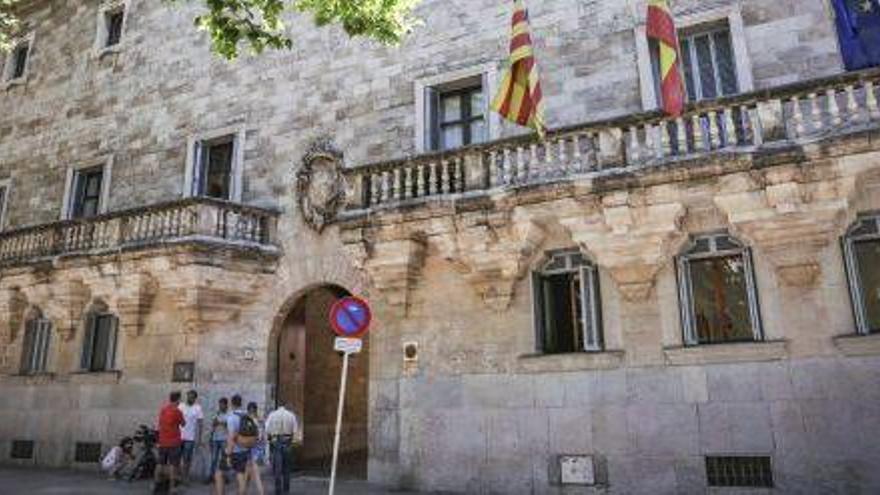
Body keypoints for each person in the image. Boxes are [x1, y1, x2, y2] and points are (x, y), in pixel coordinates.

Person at [215, 394, 255, 495]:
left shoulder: (231, 417)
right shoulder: (246, 415)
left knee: (219, 473)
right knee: (240, 474)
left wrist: (228, 453)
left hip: (234, 450)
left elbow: (231, 436)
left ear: (232, 404)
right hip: (244, 450)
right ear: (241, 403)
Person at [264, 401, 298, 495]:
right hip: (287, 441)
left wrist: (269, 439)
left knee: (277, 468)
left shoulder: (272, 415)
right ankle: (286, 489)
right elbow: (295, 430)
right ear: (286, 405)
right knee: (287, 467)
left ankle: (278, 490)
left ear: (277, 406)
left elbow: (267, 429)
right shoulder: (291, 415)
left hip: (276, 442)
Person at [156, 391, 186, 494]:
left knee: (160, 464)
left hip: (162, 441)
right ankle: (172, 488)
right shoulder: (177, 411)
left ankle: (156, 485)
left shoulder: (163, 410)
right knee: (173, 465)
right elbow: (183, 424)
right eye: (180, 399)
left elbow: (160, 423)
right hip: (173, 442)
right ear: (177, 399)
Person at [179, 389, 204, 485]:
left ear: (195, 398)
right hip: (179, 436)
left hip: (190, 438)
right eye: (188, 396)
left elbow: (200, 424)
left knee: (187, 459)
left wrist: (199, 438)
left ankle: (185, 477)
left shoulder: (198, 408)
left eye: (192, 396)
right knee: (177, 458)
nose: (190, 398)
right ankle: (178, 477)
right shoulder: (181, 406)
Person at [208, 397, 230, 484]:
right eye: (220, 404)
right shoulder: (217, 413)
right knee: (213, 459)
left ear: (226, 405)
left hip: (224, 439)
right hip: (215, 438)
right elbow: (213, 424)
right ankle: (211, 476)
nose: (221, 406)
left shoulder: (229, 414)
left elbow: (228, 425)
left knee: (224, 459)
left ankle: (225, 477)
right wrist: (210, 437)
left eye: (222, 404)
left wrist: (220, 422)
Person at [245, 402, 266, 495]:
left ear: (250, 410)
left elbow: (257, 437)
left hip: (251, 448)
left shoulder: (250, 421)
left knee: (254, 473)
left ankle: (261, 493)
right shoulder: (260, 421)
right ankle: (243, 491)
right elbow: (262, 438)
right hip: (256, 449)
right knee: (248, 473)